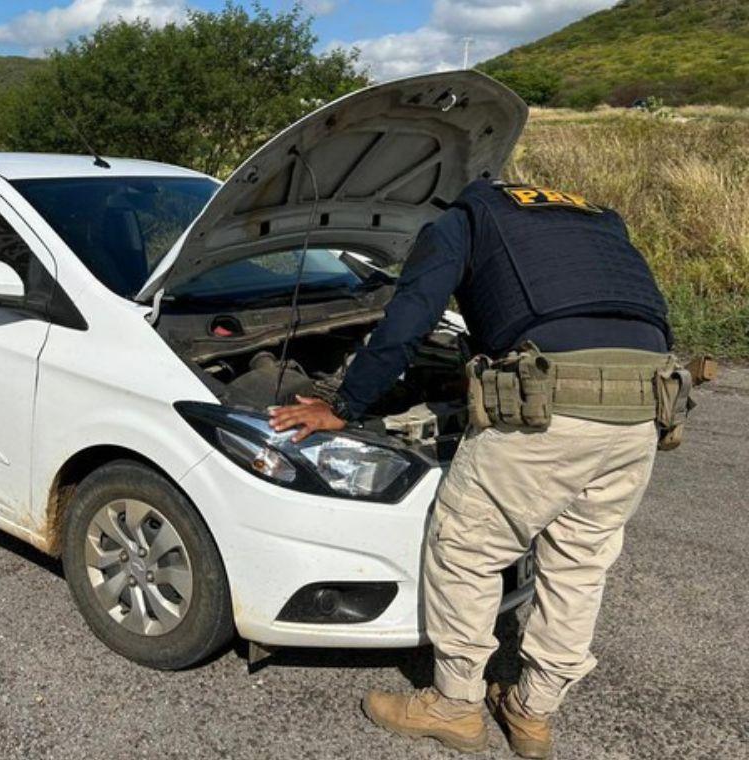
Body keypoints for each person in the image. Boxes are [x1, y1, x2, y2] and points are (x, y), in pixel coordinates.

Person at [271, 179, 677, 758]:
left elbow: (410, 319)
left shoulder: (464, 218)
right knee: (580, 565)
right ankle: (532, 714)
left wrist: (343, 405)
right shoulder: (593, 218)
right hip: (644, 403)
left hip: (550, 409)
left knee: (467, 549)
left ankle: (456, 706)